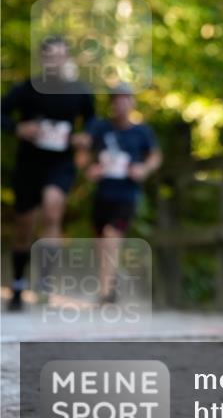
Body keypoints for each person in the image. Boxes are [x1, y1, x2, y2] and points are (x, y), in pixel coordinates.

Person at [1, 35, 96, 311]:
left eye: (60, 56)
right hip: (29, 164)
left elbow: (92, 121)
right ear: (43, 59)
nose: (55, 61)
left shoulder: (79, 91)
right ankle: (18, 284)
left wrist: (85, 137)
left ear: (67, 58)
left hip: (60, 163)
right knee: (25, 226)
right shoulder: (27, 89)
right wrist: (18, 128)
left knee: (53, 209)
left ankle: (45, 281)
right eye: (50, 56)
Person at [83, 85, 161, 303]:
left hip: (126, 194)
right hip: (103, 193)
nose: (120, 103)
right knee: (101, 242)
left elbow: (155, 156)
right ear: (111, 103)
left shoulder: (142, 132)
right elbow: (83, 154)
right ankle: (109, 280)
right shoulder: (100, 129)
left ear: (132, 102)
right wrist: (90, 168)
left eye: (125, 99)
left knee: (111, 237)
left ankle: (106, 292)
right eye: (116, 99)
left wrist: (143, 169)